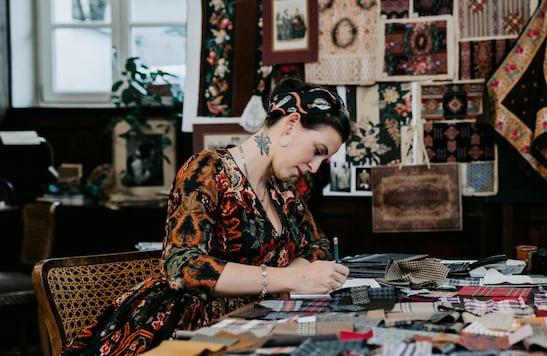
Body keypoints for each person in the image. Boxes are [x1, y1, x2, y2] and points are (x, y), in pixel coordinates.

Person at [63, 77, 352, 355]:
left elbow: (318, 247)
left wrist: (294, 276)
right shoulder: (206, 170)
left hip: (249, 325)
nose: (315, 167)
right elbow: (184, 266)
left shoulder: (283, 192)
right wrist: (292, 279)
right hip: (185, 329)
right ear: (290, 126)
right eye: (317, 151)